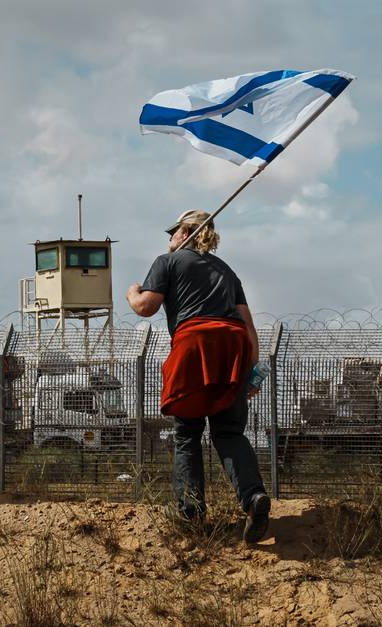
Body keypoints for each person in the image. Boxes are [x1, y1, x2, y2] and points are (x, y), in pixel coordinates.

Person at [125, 210, 271, 543]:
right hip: (234, 348)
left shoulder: (167, 261)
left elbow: (146, 307)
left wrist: (133, 292)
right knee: (230, 431)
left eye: (173, 232)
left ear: (188, 232)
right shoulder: (228, 272)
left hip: (195, 345)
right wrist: (249, 375)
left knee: (187, 434)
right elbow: (248, 326)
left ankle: (191, 514)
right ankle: (253, 498)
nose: (169, 239)